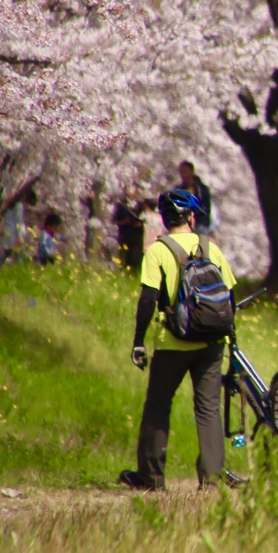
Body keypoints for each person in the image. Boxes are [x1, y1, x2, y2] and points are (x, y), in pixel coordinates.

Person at [119, 189, 236, 492]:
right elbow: (229, 296)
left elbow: (147, 299)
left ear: (163, 219)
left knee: (158, 405)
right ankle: (211, 480)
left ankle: (152, 478)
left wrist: (138, 341)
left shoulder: (158, 251)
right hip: (211, 343)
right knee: (208, 408)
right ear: (192, 217)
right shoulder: (211, 247)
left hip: (172, 341)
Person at [112, 183, 144, 271]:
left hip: (136, 236)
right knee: (124, 256)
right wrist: (123, 222)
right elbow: (114, 220)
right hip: (124, 235)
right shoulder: (120, 206)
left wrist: (139, 224)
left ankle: (135, 274)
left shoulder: (140, 205)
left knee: (136, 257)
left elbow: (145, 219)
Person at [0, 188, 36, 264]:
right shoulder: (18, 206)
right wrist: (20, 236)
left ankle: (0, 268)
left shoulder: (11, 205)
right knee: (14, 254)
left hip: (8, 231)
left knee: (8, 253)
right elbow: (18, 222)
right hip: (14, 234)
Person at [176, 161, 213, 235]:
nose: (183, 174)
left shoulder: (202, 189)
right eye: (181, 172)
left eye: (185, 171)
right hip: (184, 225)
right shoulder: (178, 190)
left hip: (200, 225)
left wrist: (201, 221)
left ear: (191, 171)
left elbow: (206, 208)